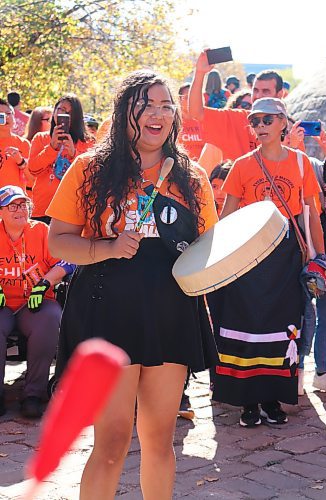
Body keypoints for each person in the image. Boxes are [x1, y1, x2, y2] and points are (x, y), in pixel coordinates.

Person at [46, 70, 218, 499]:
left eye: (166, 106)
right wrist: (107, 247)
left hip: (170, 311)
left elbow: (208, 247)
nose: (158, 115)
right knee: (112, 441)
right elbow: (58, 240)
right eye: (147, 105)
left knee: (160, 439)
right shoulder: (90, 169)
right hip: (108, 310)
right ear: (125, 111)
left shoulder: (191, 177)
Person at [207, 98, 324, 427]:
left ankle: (272, 399)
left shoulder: (301, 164)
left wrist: (320, 259)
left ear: (283, 122)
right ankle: (247, 403)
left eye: (267, 119)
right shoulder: (242, 164)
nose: (260, 126)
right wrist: (214, 257)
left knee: (281, 328)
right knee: (246, 327)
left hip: (286, 258)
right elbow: (227, 215)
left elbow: (312, 215)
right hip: (248, 258)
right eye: (254, 120)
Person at [0, 185, 74, 418]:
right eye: (13, 205)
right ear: (1, 211)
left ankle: (34, 393)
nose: (20, 210)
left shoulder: (41, 231)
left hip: (35, 302)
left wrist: (44, 284)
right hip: (3, 305)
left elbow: (67, 261)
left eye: (23, 205)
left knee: (50, 318)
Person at [189, 51, 285, 160]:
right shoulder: (237, 117)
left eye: (266, 91)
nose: (258, 96)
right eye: (256, 90)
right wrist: (200, 73)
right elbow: (196, 112)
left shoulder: (289, 128)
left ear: (280, 94)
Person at [298, 128, 326, 395]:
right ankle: (299, 371)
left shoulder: (324, 178)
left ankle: (321, 371)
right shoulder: (296, 165)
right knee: (305, 316)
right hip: (300, 256)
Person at [27, 94, 94, 224]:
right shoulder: (40, 138)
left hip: (74, 210)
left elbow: (91, 175)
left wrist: (74, 154)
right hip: (42, 209)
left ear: (77, 117)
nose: (63, 114)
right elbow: (33, 170)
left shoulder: (88, 142)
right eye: (60, 109)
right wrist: (52, 147)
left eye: (69, 112)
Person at [0, 98, 30, 190]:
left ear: (14, 117)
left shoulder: (23, 143)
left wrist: (20, 161)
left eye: (8, 113)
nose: (6, 117)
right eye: (1, 115)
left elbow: (32, 179)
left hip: (16, 201)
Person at [178, 83, 205, 161]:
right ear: (179, 99)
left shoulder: (205, 121)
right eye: (187, 97)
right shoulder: (173, 122)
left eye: (194, 97)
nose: (191, 101)